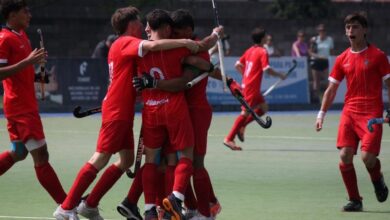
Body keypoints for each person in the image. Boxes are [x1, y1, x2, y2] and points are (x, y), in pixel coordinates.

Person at [53, 6, 200, 220]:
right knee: (100, 158)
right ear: (130, 24)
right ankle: (65, 208)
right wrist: (187, 42)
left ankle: (90, 204)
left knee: (126, 160)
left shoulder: (120, 45)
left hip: (121, 109)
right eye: (139, 22)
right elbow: (155, 44)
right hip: (117, 111)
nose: (143, 26)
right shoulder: (125, 42)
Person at [316, 12, 389, 212]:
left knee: (367, 158)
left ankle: (377, 178)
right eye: (348, 28)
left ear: (365, 30)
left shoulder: (378, 56)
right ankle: (355, 200)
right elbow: (331, 90)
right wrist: (321, 114)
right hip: (350, 112)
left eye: (355, 27)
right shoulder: (342, 59)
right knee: (345, 156)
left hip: (372, 114)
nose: (351, 31)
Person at [0, 0, 67, 205]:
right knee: (41, 155)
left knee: (19, 152)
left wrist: (35, 63)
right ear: (12, 15)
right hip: (20, 108)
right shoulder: (4, 39)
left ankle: (66, 205)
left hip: (24, 105)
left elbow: (22, 69)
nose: (29, 15)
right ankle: (66, 205)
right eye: (24, 11)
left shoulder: (22, 36)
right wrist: (28, 61)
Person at [223, 27, 285, 150]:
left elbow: (237, 65)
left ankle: (243, 126)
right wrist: (280, 75)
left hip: (249, 85)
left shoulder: (250, 50)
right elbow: (266, 69)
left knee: (263, 108)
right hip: (251, 88)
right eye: (266, 36)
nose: (268, 38)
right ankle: (229, 138)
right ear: (263, 38)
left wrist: (246, 76)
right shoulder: (263, 51)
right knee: (245, 113)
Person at [309, 24, 334, 103]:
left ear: (325, 32)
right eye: (320, 31)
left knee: (328, 80)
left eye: (323, 30)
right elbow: (310, 52)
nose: (321, 32)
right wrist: (318, 56)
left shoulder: (329, 40)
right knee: (316, 80)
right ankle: (316, 99)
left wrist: (331, 59)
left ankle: (327, 97)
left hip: (326, 61)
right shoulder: (314, 39)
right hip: (316, 61)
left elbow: (331, 51)